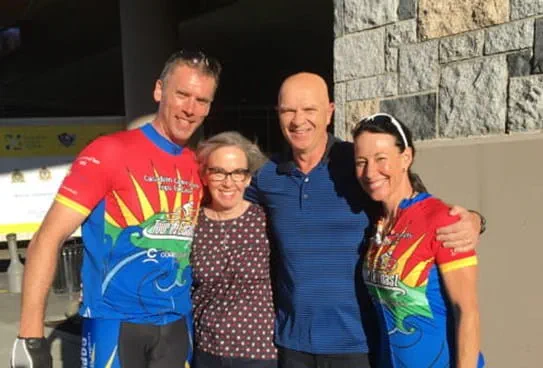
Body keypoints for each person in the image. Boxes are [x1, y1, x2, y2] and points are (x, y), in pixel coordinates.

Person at [245, 72, 485, 368]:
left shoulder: (356, 162)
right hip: (292, 345)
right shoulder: (267, 175)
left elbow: (418, 203)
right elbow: (221, 193)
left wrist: (474, 220)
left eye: (309, 109)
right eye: (288, 110)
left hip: (358, 346)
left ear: (330, 111)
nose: (298, 120)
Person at [11, 50, 221, 368]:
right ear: (159, 91)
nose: (191, 109)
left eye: (202, 100)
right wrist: (31, 336)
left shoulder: (198, 165)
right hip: (116, 323)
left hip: (178, 325)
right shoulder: (108, 152)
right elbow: (48, 238)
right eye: (182, 95)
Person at [353, 113, 485, 367]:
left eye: (381, 159)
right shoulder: (377, 223)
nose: (370, 172)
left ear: (406, 158)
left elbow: (467, 311)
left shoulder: (441, 219)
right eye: (361, 161)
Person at [191, 131, 277, 368]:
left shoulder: (266, 221)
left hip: (259, 353)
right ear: (205, 176)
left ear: (248, 178)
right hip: (207, 350)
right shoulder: (192, 224)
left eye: (238, 173)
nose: (228, 182)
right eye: (218, 172)